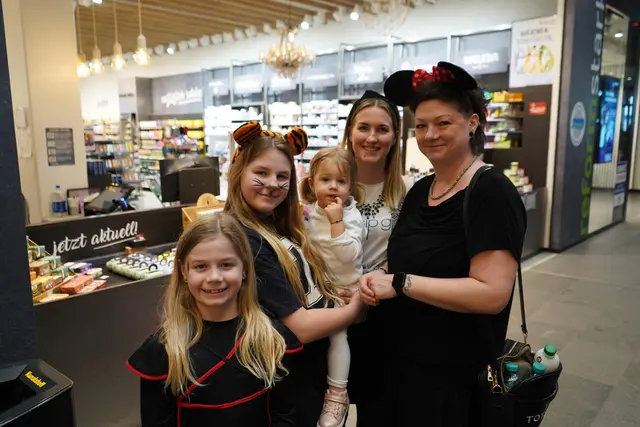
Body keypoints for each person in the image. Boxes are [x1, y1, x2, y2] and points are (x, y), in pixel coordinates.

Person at [359, 62, 527, 426]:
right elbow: (402, 259)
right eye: (421, 125)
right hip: (394, 365)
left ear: (472, 123)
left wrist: (400, 283)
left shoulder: (492, 192)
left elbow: (491, 294)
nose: (430, 134)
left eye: (443, 123)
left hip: (449, 379)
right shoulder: (422, 189)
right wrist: (377, 278)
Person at [224, 121, 365, 427]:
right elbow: (300, 326)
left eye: (282, 176)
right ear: (238, 173)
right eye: (261, 173)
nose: (272, 183)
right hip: (281, 384)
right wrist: (355, 307)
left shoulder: (278, 223)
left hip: (303, 377)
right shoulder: (246, 239)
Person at [126, 213, 301, 427]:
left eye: (226, 264)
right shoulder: (165, 350)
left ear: (245, 269)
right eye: (201, 266)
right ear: (183, 271)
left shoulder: (273, 339)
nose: (214, 277)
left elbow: (286, 417)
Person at [340, 90, 407, 427]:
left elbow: (410, 253)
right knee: (326, 407)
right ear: (350, 132)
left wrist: (380, 277)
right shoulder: (328, 183)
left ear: (395, 137)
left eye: (382, 129)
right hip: (332, 311)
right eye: (363, 127)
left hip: (381, 319)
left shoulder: (407, 191)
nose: (371, 137)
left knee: (376, 411)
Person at [299, 147, 366, 427]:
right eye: (325, 180)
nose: (333, 187)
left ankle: (337, 393)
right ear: (312, 183)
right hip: (314, 287)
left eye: (341, 181)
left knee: (338, 336)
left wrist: (336, 221)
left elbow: (349, 256)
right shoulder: (306, 213)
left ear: (351, 186)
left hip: (343, 290)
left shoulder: (351, 216)